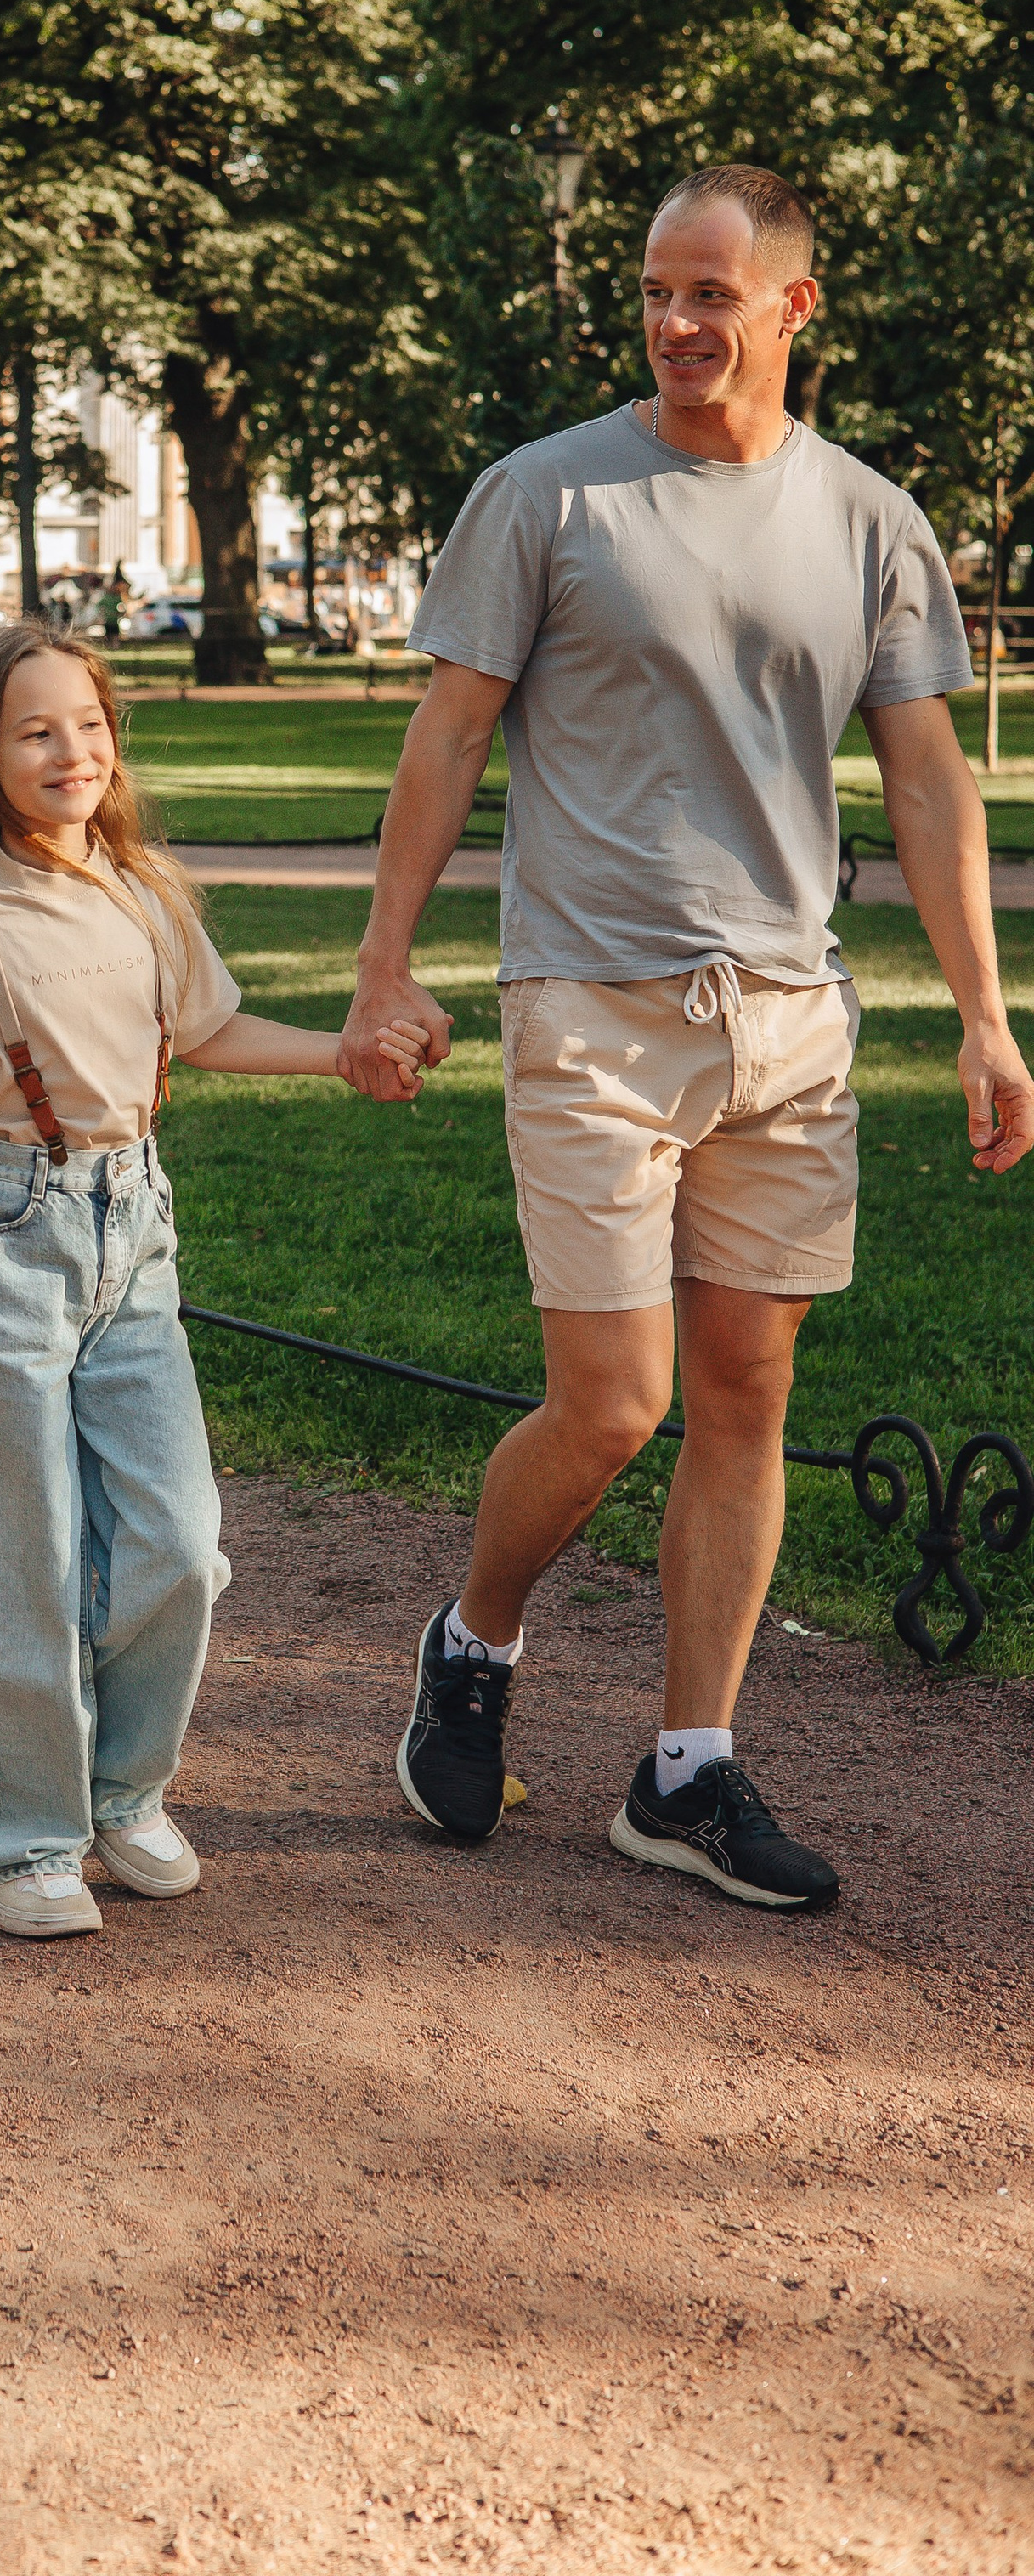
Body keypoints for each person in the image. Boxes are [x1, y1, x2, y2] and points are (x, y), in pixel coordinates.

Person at [347, 162, 1034, 1908]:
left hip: (787, 1019)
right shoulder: (545, 496)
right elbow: (443, 741)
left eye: (709, 293)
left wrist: (977, 1014)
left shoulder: (867, 521)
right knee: (612, 1401)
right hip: (585, 1004)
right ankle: (471, 1635)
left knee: (742, 1393)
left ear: (792, 309)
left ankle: (683, 1768)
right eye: (656, 290)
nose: (673, 322)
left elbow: (926, 773)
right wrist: (378, 966)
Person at [0, 622, 425, 1940]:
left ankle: (123, 1791)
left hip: (136, 1226)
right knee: (29, 1549)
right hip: (7, 1234)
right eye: (36, 731)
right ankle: (18, 1838)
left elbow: (211, 1029)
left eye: (90, 726)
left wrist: (345, 1054)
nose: (73, 752)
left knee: (179, 1540)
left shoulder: (145, 890)